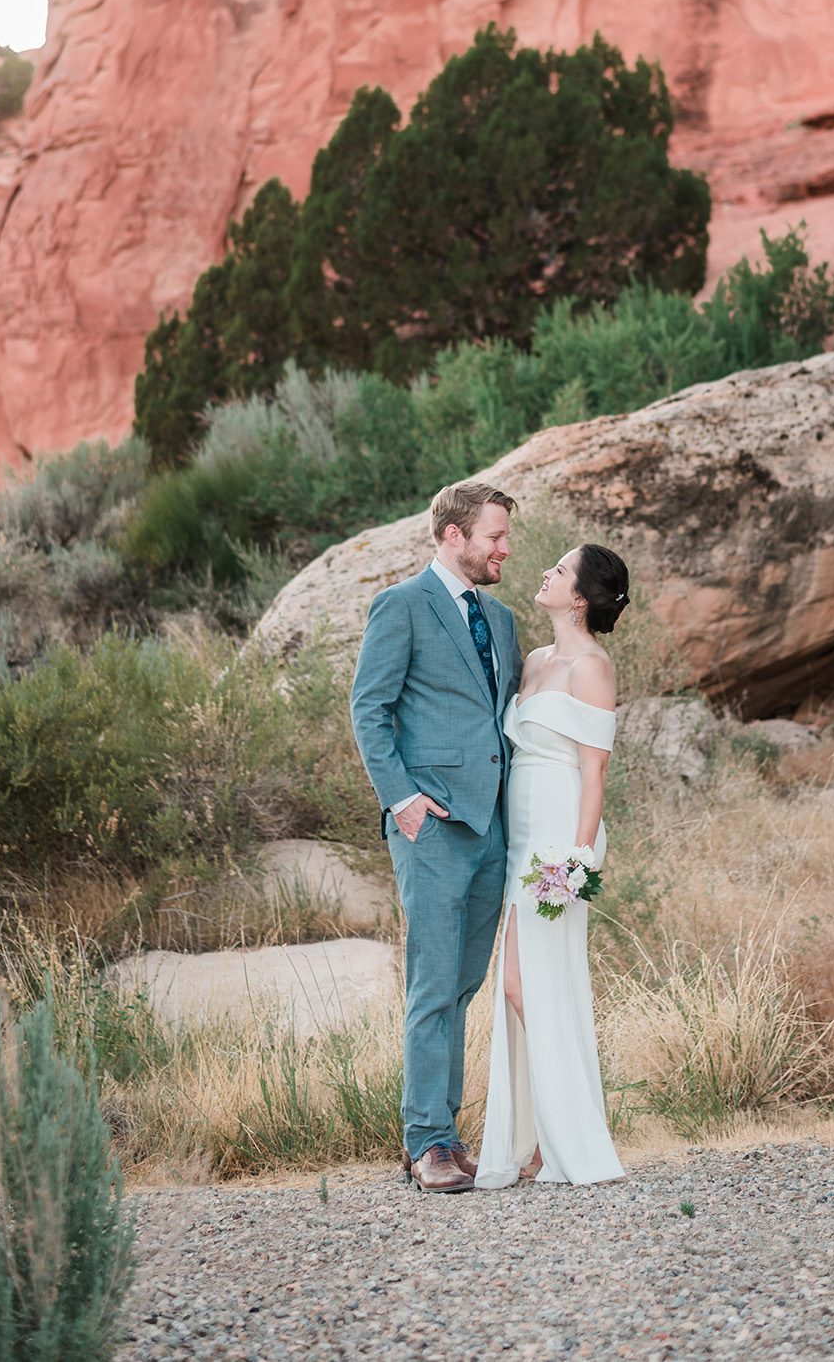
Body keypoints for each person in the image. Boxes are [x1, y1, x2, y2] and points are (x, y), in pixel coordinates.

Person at [350, 480, 523, 1194]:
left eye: (505, 537)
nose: (504, 549)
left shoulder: (504, 620)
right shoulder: (402, 606)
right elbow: (370, 709)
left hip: (493, 828)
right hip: (432, 827)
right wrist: (404, 801)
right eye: (494, 537)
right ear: (452, 535)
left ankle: (447, 1135)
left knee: (461, 983)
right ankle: (425, 1143)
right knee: (431, 984)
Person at [475, 542, 629, 1189]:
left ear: (581, 597)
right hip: (520, 837)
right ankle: (542, 1142)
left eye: (560, 570)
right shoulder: (535, 660)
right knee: (519, 987)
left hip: (560, 840)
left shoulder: (593, 667)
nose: (547, 572)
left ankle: (571, 1131)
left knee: (526, 985)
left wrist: (576, 862)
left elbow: (595, 774)